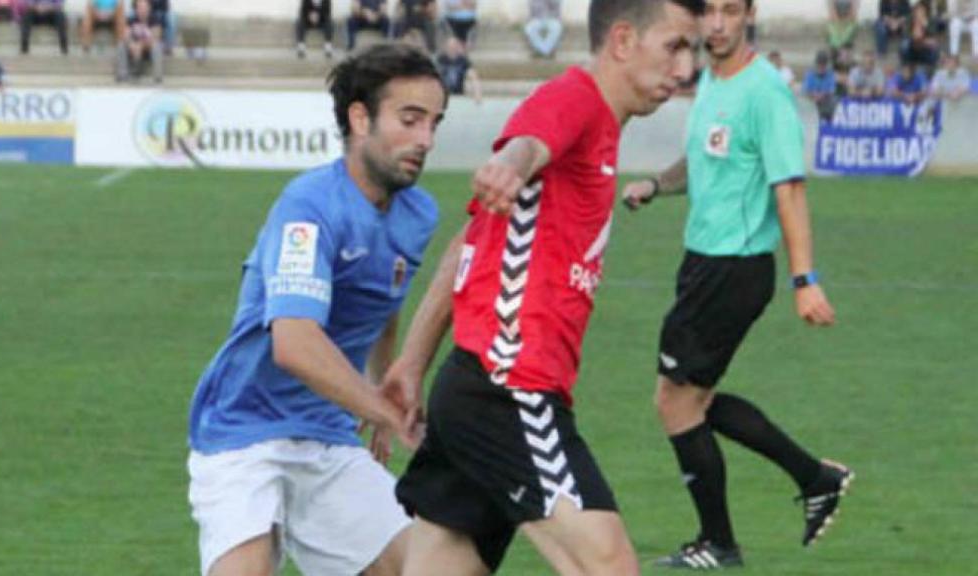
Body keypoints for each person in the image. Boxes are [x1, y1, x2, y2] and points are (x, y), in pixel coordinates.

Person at [386, 1, 703, 575]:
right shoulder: (576, 100)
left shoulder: (603, 130)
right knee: (608, 565)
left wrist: (411, 361)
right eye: (675, 46)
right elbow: (528, 143)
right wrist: (510, 162)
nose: (685, 69)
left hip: (473, 384)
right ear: (624, 40)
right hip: (510, 390)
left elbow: (470, 244)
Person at [186, 43, 447, 576]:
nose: (426, 139)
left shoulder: (417, 213)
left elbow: (383, 299)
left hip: (325, 432)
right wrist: (385, 411)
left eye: (434, 123)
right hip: (242, 430)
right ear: (359, 118)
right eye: (410, 119)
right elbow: (295, 343)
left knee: (422, 567)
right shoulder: (309, 207)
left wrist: (384, 383)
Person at [622, 0, 854, 569]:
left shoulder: (764, 92)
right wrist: (657, 184)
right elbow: (702, 159)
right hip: (702, 264)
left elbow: (790, 188)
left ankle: (719, 542)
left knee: (674, 403)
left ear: (749, 15)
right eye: (710, 12)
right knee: (689, 401)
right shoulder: (712, 83)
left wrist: (806, 280)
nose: (718, 24)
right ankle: (815, 477)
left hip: (734, 268)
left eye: (731, 10)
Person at [115, 0, 162, 83]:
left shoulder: (155, 20)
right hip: (133, 49)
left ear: (149, 8)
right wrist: (131, 44)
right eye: (139, 7)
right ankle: (122, 75)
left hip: (148, 50)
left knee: (157, 45)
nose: (142, 10)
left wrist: (141, 45)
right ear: (136, 9)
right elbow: (125, 36)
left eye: (144, 7)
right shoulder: (131, 20)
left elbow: (156, 37)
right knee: (121, 45)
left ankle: (157, 77)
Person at [436, 36, 481, 103]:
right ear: (446, 47)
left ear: (457, 48)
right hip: (443, 95)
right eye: (449, 47)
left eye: (454, 47)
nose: (451, 49)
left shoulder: (463, 61)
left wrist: (477, 93)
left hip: (458, 95)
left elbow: (473, 77)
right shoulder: (440, 60)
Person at [803, 49, 838, 120]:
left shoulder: (830, 74)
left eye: (823, 64)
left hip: (825, 102)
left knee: (834, 101)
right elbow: (805, 90)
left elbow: (832, 90)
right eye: (819, 64)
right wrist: (813, 95)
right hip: (812, 102)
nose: (821, 66)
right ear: (816, 63)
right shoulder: (810, 73)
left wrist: (822, 95)